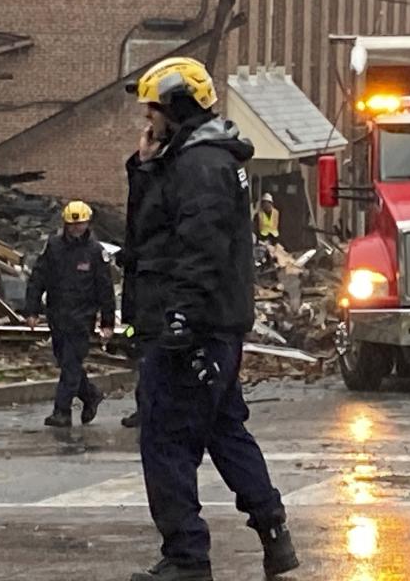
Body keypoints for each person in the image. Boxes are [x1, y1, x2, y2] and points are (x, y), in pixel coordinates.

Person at [124, 57, 298, 581]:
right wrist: (144, 165)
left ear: (175, 109)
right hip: (211, 326)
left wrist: (180, 319)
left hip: (192, 329)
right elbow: (157, 230)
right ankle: (273, 532)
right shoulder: (194, 160)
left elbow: (197, 248)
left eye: (152, 110)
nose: (146, 120)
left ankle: (186, 557)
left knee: (166, 436)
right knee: (225, 431)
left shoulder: (201, 167)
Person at [25, 201, 116, 428]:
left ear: (88, 224)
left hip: (82, 318)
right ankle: (90, 394)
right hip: (57, 315)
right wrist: (32, 309)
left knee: (71, 363)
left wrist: (107, 322)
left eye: (80, 225)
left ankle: (62, 411)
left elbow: (105, 289)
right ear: (65, 224)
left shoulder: (96, 252)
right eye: (72, 225)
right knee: (65, 361)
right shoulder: (54, 247)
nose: (76, 229)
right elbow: (38, 278)